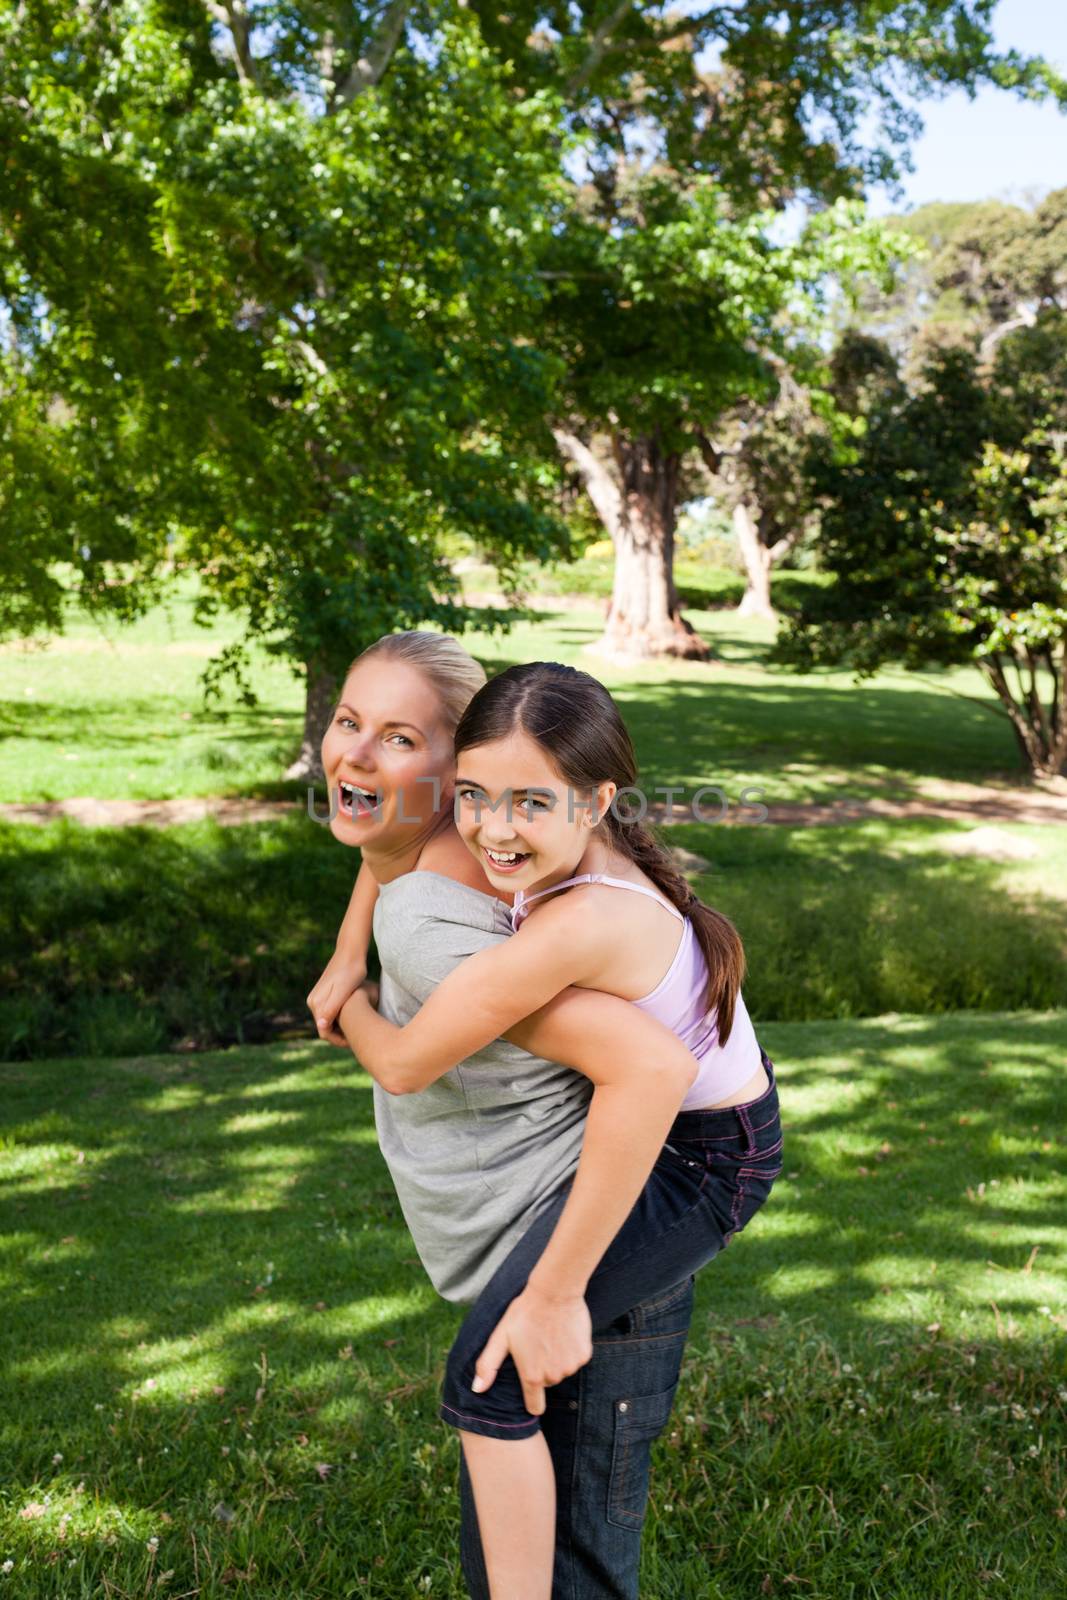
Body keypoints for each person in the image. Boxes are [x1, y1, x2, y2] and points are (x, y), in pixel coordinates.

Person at [309, 636, 782, 1598]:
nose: (491, 827)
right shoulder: (529, 845)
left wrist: (343, 1000)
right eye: (476, 797)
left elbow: (414, 1064)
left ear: (596, 802)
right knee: (491, 1385)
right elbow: (391, 848)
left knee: (485, 1382)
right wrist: (349, 945)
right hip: (702, 1119)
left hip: (703, 1158)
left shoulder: (567, 922)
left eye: (530, 802)